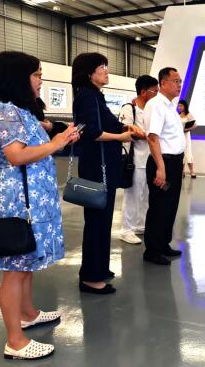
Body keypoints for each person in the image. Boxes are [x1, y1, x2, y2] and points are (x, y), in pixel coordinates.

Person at [0, 51, 80, 360]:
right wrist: (57, 143)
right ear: (17, 77)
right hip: (19, 201)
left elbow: (33, 147)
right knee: (15, 268)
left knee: (25, 262)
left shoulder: (20, 110)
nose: (40, 81)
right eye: (37, 75)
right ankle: (15, 341)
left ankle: (27, 313)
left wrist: (57, 138)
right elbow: (16, 155)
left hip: (33, 198)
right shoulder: (5, 111)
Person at [72, 52, 142, 293]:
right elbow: (90, 132)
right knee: (96, 223)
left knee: (103, 221)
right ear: (89, 72)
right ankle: (90, 277)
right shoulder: (87, 96)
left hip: (103, 168)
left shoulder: (96, 96)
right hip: (96, 169)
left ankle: (99, 268)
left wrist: (124, 127)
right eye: (102, 66)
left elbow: (106, 124)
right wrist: (121, 137)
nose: (106, 70)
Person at [143, 67, 185, 265]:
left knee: (170, 206)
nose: (179, 85)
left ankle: (163, 244)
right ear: (163, 83)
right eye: (176, 81)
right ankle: (152, 250)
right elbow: (153, 138)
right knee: (159, 207)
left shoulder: (170, 106)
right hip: (163, 163)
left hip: (174, 163)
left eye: (180, 81)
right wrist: (161, 168)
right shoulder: (156, 105)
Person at [118, 75, 159, 244]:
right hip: (135, 159)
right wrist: (148, 136)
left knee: (146, 195)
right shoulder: (129, 109)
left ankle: (140, 225)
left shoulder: (152, 109)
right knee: (133, 195)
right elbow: (127, 131)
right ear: (143, 92)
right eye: (154, 91)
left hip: (151, 158)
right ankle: (126, 229)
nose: (157, 94)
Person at [178, 99, 197, 178]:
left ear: (185, 106)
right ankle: (182, 171)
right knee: (181, 153)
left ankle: (192, 171)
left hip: (186, 136)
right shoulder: (177, 115)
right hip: (179, 136)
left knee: (188, 153)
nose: (179, 107)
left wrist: (187, 129)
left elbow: (195, 125)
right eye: (179, 106)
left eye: (181, 106)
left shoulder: (189, 115)